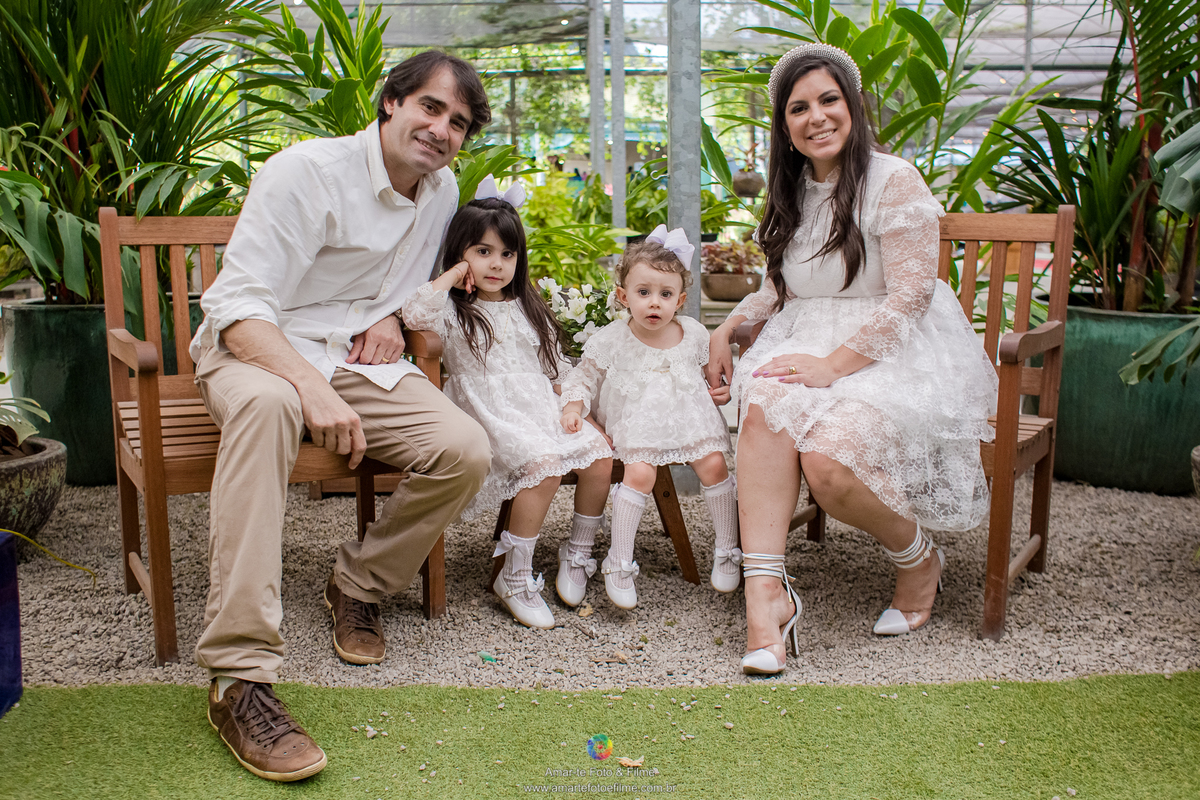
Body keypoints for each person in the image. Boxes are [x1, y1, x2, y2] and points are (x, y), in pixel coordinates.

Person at [188, 52, 493, 781]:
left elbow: (421, 280)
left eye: (458, 122)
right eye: (429, 107)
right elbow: (236, 308)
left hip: (355, 359)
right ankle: (239, 676)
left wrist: (389, 312)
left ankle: (357, 585)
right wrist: (305, 387)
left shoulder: (442, 189)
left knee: (464, 448)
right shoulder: (306, 172)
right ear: (391, 103)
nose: (440, 129)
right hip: (256, 350)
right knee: (265, 408)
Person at [705, 44, 997, 675]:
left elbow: (914, 294)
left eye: (828, 100)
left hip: (893, 349)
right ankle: (766, 602)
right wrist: (730, 325)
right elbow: (779, 289)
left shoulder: (894, 180)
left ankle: (919, 558)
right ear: (784, 126)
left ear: (854, 105)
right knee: (764, 410)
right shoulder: (791, 191)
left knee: (831, 467)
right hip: (804, 341)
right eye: (798, 108)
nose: (816, 117)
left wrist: (833, 366)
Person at [402, 177, 614, 628]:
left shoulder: (526, 307)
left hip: (537, 404)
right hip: (487, 410)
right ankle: (514, 578)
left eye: (507, 254)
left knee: (599, 457)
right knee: (544, 464)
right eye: (482, 252)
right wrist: (457, 276)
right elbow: (415, 313)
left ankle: (577, 554)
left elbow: (556, 370)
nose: (496, 264)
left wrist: (575, 406)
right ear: (460, 254)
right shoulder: (453, 310)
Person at [560, 227, 737, 609]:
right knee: (639, 474)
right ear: (623, 297)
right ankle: (619, 562)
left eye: (665, 295)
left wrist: (721, 389)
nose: (654, 304)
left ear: (681, 300)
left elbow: (711, 375)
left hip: (688, 419)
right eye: (643, 293)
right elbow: (583, 376)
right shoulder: (612, 337)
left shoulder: (691, 332)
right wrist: (575, 405)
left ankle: (727, 548)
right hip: (638, 422)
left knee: (714, 465)